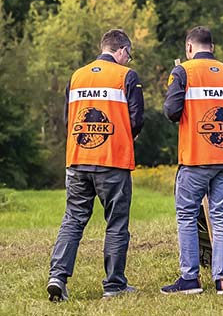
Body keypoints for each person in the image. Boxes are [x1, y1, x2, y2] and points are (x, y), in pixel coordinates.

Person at [47, 29, 144, 302]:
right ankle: (114, 285)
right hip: (113, 161)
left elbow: (69, 119)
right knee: (116, 223)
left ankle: (57, 276)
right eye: (129, 54)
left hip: (78, 158)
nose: (128, 59)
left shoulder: (77, 76)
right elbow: (136, 119)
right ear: (122, 50)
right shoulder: (127, 76)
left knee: (73, 219)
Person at [161, 26, 223, 295]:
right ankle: (222, 281)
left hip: (196, 156)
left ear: (189, 48)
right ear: (212, 47)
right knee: (220, 217)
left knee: (186, 214)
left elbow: (171, 111)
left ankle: (190, 279)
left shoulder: (183, 71)